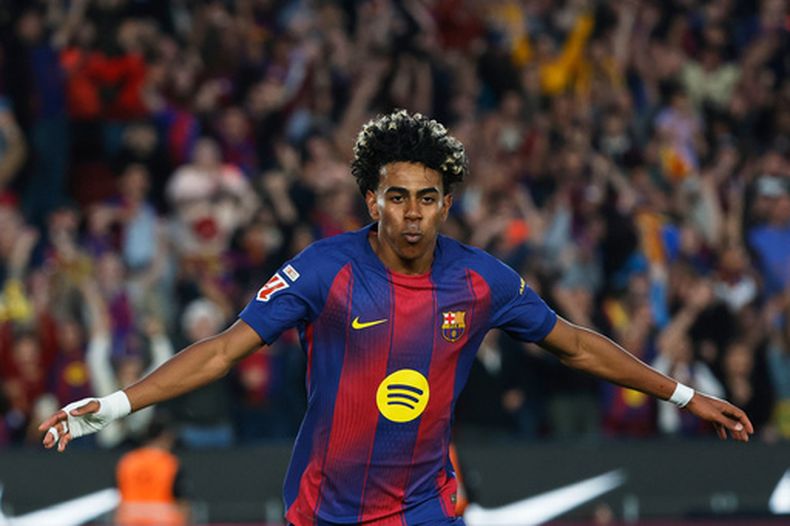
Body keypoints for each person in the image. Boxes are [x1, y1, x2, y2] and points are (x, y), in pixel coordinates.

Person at [40, 110, 753, 526]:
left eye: (428, 197)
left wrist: (686, 396)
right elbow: (224, 350)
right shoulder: (325, 269)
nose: (413, 212)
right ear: (371, 200)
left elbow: (574, 345)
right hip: (323, 509)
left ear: (447, 203)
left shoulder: (481, 280)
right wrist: (117, 403)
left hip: (425, 509)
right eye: (397, 196)